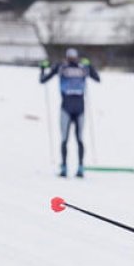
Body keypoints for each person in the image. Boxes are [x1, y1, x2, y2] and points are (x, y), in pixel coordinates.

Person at [39, 48, 100, 178]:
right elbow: (43, 80)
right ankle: (65, 167)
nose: (72, 60)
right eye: (70, 57)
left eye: (73, 58)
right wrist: (43, 68)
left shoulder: (82, 67)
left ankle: (80, 167)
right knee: (66, 139)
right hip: (67, 107)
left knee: (78, 139)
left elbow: (97, 78)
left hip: (77, 108)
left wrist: (90, 66)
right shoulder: (61, 67)